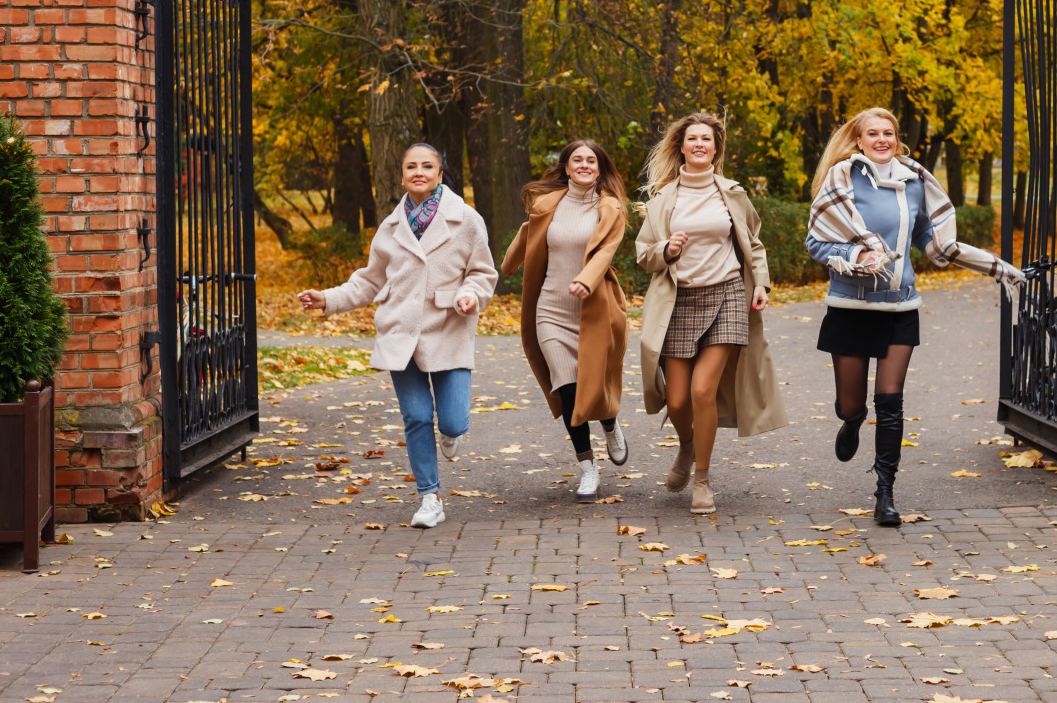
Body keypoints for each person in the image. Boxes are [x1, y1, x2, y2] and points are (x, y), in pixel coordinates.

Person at [806, 109, 1025, 526]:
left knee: (890, 401)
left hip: (900, 305)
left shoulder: (913, 182)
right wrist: (856, 256)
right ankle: (851, 422)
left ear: (897, 138)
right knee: (852, 402)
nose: (882, 139)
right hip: (851, 305)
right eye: (873, 133)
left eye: (889, 132)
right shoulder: (841, 181)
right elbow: (816, 243)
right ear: (859, 139)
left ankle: (885, 493)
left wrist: (973, 258)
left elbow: (928, 235)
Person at [297, 143, 497, 529]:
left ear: (440, 174)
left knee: (453, 422)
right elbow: (369, 281)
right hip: (399, 335)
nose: (419, 172)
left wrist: (471, 294)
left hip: (448, 329)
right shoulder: (390, 228)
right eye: (411, 166)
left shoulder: (467, 219)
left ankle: (451, 436)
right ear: (401, 176)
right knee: (417, 417)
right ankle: (429, 497)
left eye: (428, 166)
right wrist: (327, 299)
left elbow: (483, 272)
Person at [635, 112, 788, 515]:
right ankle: (687, 445)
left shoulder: (732, 193)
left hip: (727, 296)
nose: (700, 144)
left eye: (707, 138)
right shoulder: (664, 199)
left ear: (716, 149)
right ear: (681, 147)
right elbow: (644, 253)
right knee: (679, 397)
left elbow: (753, 244)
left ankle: (701, 479)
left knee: (704, 390)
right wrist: (666, 250)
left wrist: (760, 284)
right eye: (692, 138)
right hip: (678, 302)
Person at [500, 139, 631, 502]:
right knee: (568, 388)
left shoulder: (610, 209)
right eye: (578, 160)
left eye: (592, 160)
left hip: (593, 310)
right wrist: (508, 263)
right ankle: (588, 467)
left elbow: (606, 252)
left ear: (599, 169)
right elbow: (527, 239)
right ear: (567, 167)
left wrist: (586, 279)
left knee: (593, 382)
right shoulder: (547, 206)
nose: (585, 165)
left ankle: (609, 423)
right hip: (551, 310)